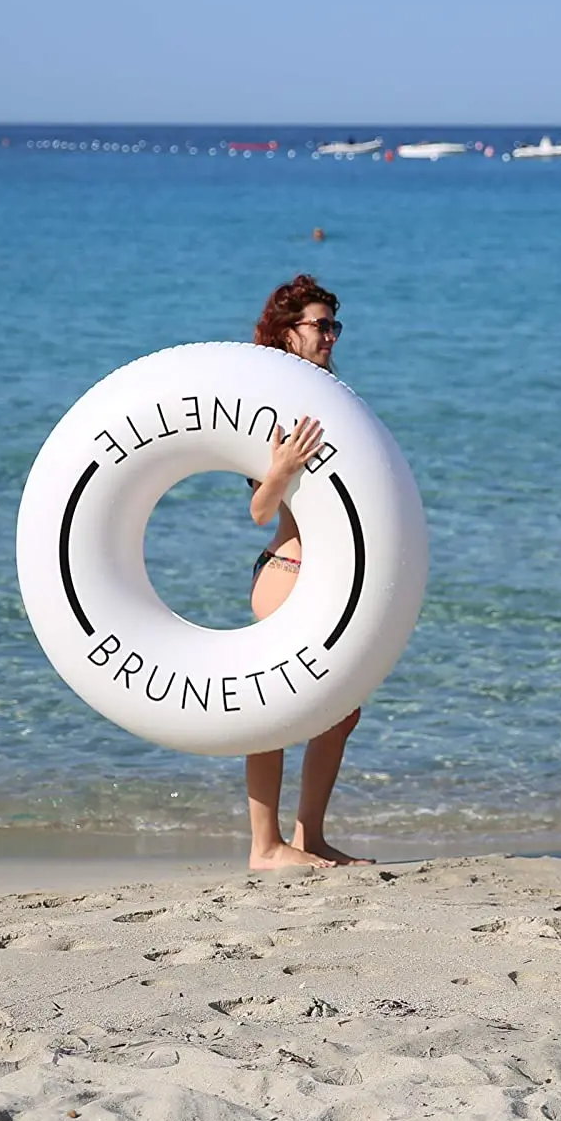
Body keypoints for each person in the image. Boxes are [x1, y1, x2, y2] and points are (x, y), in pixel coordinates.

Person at [245, 273, 373, 871]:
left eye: (333, 327)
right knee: (274, 709)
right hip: (287, 571)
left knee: (343, 710)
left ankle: (310, 836)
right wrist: (283, 466)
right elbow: (259, 509)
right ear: (286, 333)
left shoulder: (329, 401)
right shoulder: (270, 409)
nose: (329, 337)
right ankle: (265, 847)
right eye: (320, 326)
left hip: (331, 579)